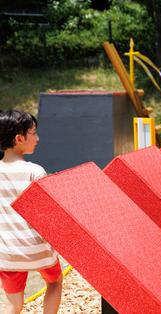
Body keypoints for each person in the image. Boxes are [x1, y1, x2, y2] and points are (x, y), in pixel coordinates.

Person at [0, 110, 62, 313]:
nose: (38, 138)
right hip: (37, 250)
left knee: (13, 304)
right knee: (55, 282)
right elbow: (47, 211)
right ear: (19, 138)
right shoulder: (35, 172)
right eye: (33, 133)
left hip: (7, 253)